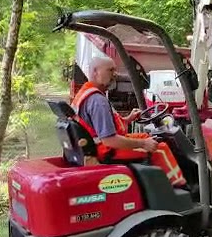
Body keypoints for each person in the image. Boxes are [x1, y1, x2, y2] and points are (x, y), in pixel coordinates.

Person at [71, 56, 186, 187]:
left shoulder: (87, 92)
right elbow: (109, 140)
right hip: (106, 149)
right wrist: (143, 144)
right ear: (96, 71)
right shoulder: (98, 101)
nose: (115, 74)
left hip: (99, 145)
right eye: (110, 70)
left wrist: (128, 119)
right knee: (161, 148)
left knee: (149, 138)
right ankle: (180, 188)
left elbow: (99, 127)